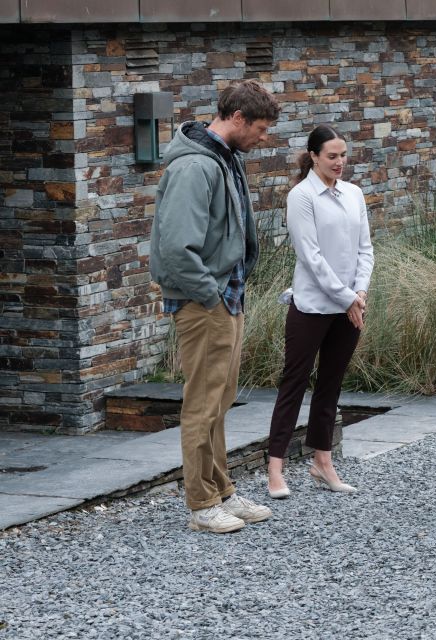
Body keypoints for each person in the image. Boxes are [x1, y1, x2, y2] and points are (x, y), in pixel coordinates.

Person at [150, 80, 280, 533]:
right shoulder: (194, 168)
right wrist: (209, 294)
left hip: (227, 296)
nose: (264, 139)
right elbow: (175, 249)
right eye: (261, 129)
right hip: (206, 301)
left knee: (221, 400)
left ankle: (220, 489)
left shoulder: (225, 158)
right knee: (202, 404)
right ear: (237, 119)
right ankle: (201, 504)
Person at [265, 124, 374, 498]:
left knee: (331, 385)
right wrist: (348, 299)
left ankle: (322, 463)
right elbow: (310, 257)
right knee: (293, 384)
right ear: (313, 156)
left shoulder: (354, 194)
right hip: (312, 306)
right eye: (332, 156)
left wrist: (358, 293)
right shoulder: (302, 196)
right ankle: (275, 469)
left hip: (349, 307)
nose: (340, 162)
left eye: (343, 155)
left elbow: (365, 250)